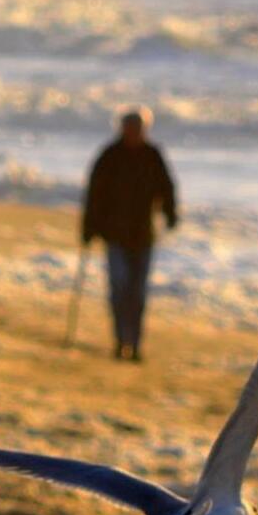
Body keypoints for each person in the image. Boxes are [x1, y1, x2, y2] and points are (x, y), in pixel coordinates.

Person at [80, 107, 178, 361]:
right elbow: (94, 195)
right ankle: (120, 340)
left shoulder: (152, 155)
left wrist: (171, 213)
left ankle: (134, 344)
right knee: (119, 289)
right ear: (122, 129)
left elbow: (166, 187)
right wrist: (88, 228)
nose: (135, 133)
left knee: (138, 293)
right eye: (130, 129)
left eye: (139, 129)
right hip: (115, 235)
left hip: (144, 236)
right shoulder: (109, 156)